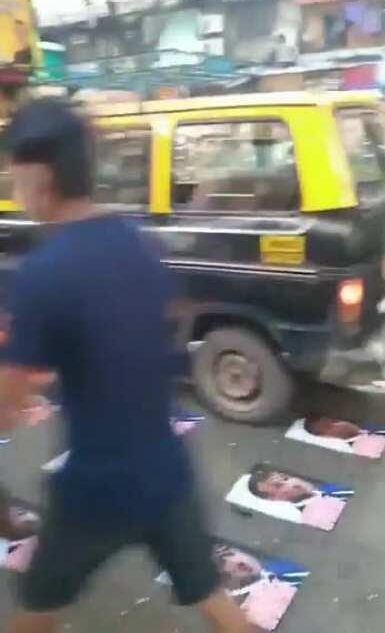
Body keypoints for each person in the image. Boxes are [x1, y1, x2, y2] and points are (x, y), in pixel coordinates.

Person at [2, 99, 254, 633]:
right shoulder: (137, 242)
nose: (13, 187)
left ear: (40, 177)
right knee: (215, 600)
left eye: (13, 174)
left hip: (97, 489)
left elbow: (8, 401)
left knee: (35, 612)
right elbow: (141, 334)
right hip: (168, 473)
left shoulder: (43, 273)